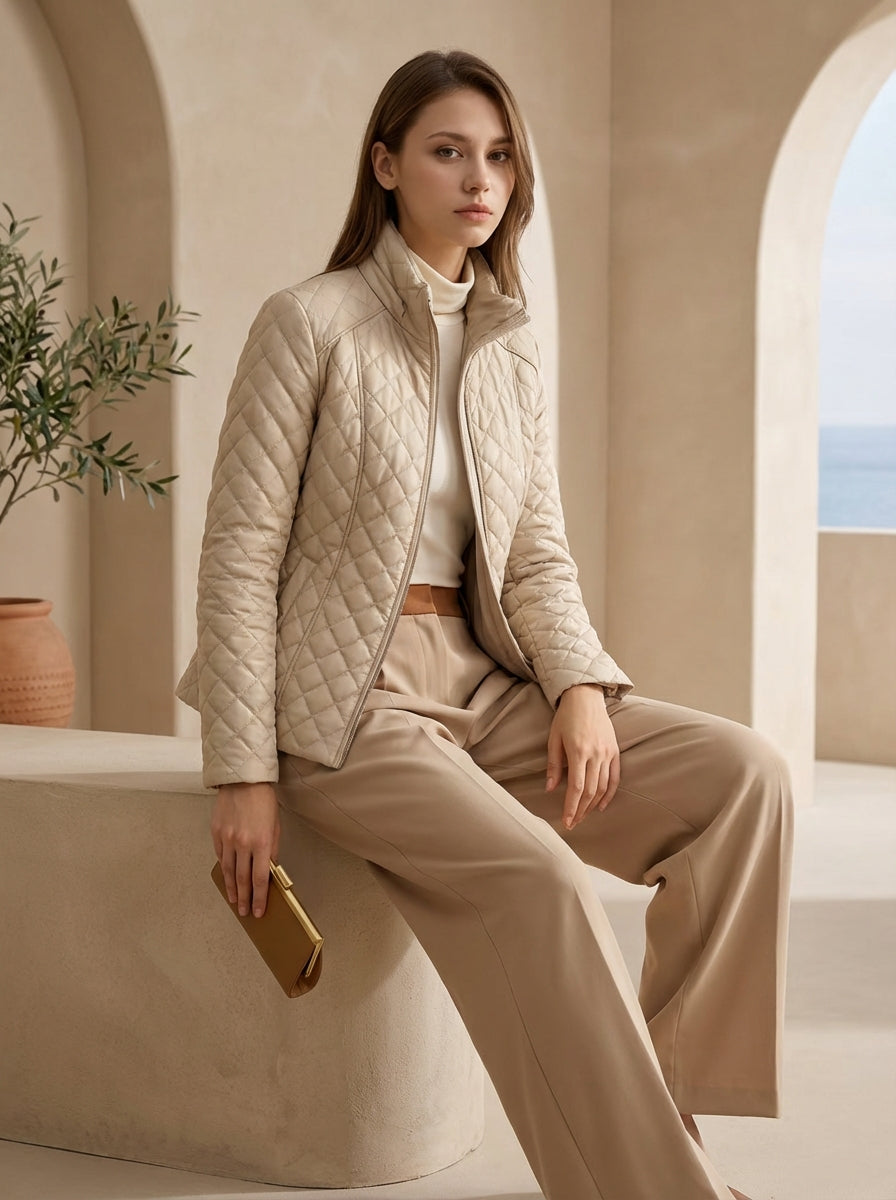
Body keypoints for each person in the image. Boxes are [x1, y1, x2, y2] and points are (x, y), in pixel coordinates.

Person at [177, 49, 792, 1200]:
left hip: (483, 679)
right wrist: (242, 771)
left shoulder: (507, 346)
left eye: (499, 155)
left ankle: (653, 1111)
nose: (480, 179)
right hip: (343, 703)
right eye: (448, 151)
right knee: (544, 887)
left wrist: (576, 690)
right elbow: (240, 553)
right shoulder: (307, 323)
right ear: (385, 165)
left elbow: (534, 554)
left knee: (742, 780)